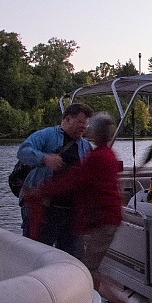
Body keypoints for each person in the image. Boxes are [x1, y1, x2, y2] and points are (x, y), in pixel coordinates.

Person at [28, 112, 123, 292]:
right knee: (87, 265)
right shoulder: (108, 153)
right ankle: (113, 302)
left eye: (90, 127)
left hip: (103, 220)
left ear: (96, 132)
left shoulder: (98, 157)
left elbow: (73, 180)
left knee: (88, 269)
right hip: (105, 218)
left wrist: (40, 191)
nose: (87, 130)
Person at [17, 103, 93, 257]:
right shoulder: (46, 135)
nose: (84, 127)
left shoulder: (86, 146)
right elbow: (22, 151)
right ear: (67, 119)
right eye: (80, 122)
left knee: (72, 258)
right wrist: (44, 158)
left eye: (86, 124)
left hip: (72, 213)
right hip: (43, 208)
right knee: (35, 254)